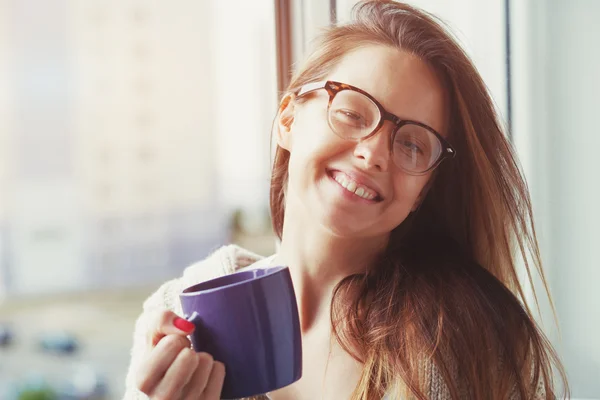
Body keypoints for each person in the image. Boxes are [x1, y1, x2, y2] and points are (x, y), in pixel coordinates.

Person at [124, 1, 569, 399]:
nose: (373, 153)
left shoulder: (468, 341)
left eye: (413, 145)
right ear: (288, 119)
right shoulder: (173, 314)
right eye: (353, 113)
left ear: (423, 191)